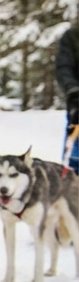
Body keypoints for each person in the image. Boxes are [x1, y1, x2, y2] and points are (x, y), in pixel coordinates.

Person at [58, 21, 79, 173]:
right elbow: (63, 67)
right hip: (78, 107)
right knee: (73, 165)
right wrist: (73, 91)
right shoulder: (72, 37)